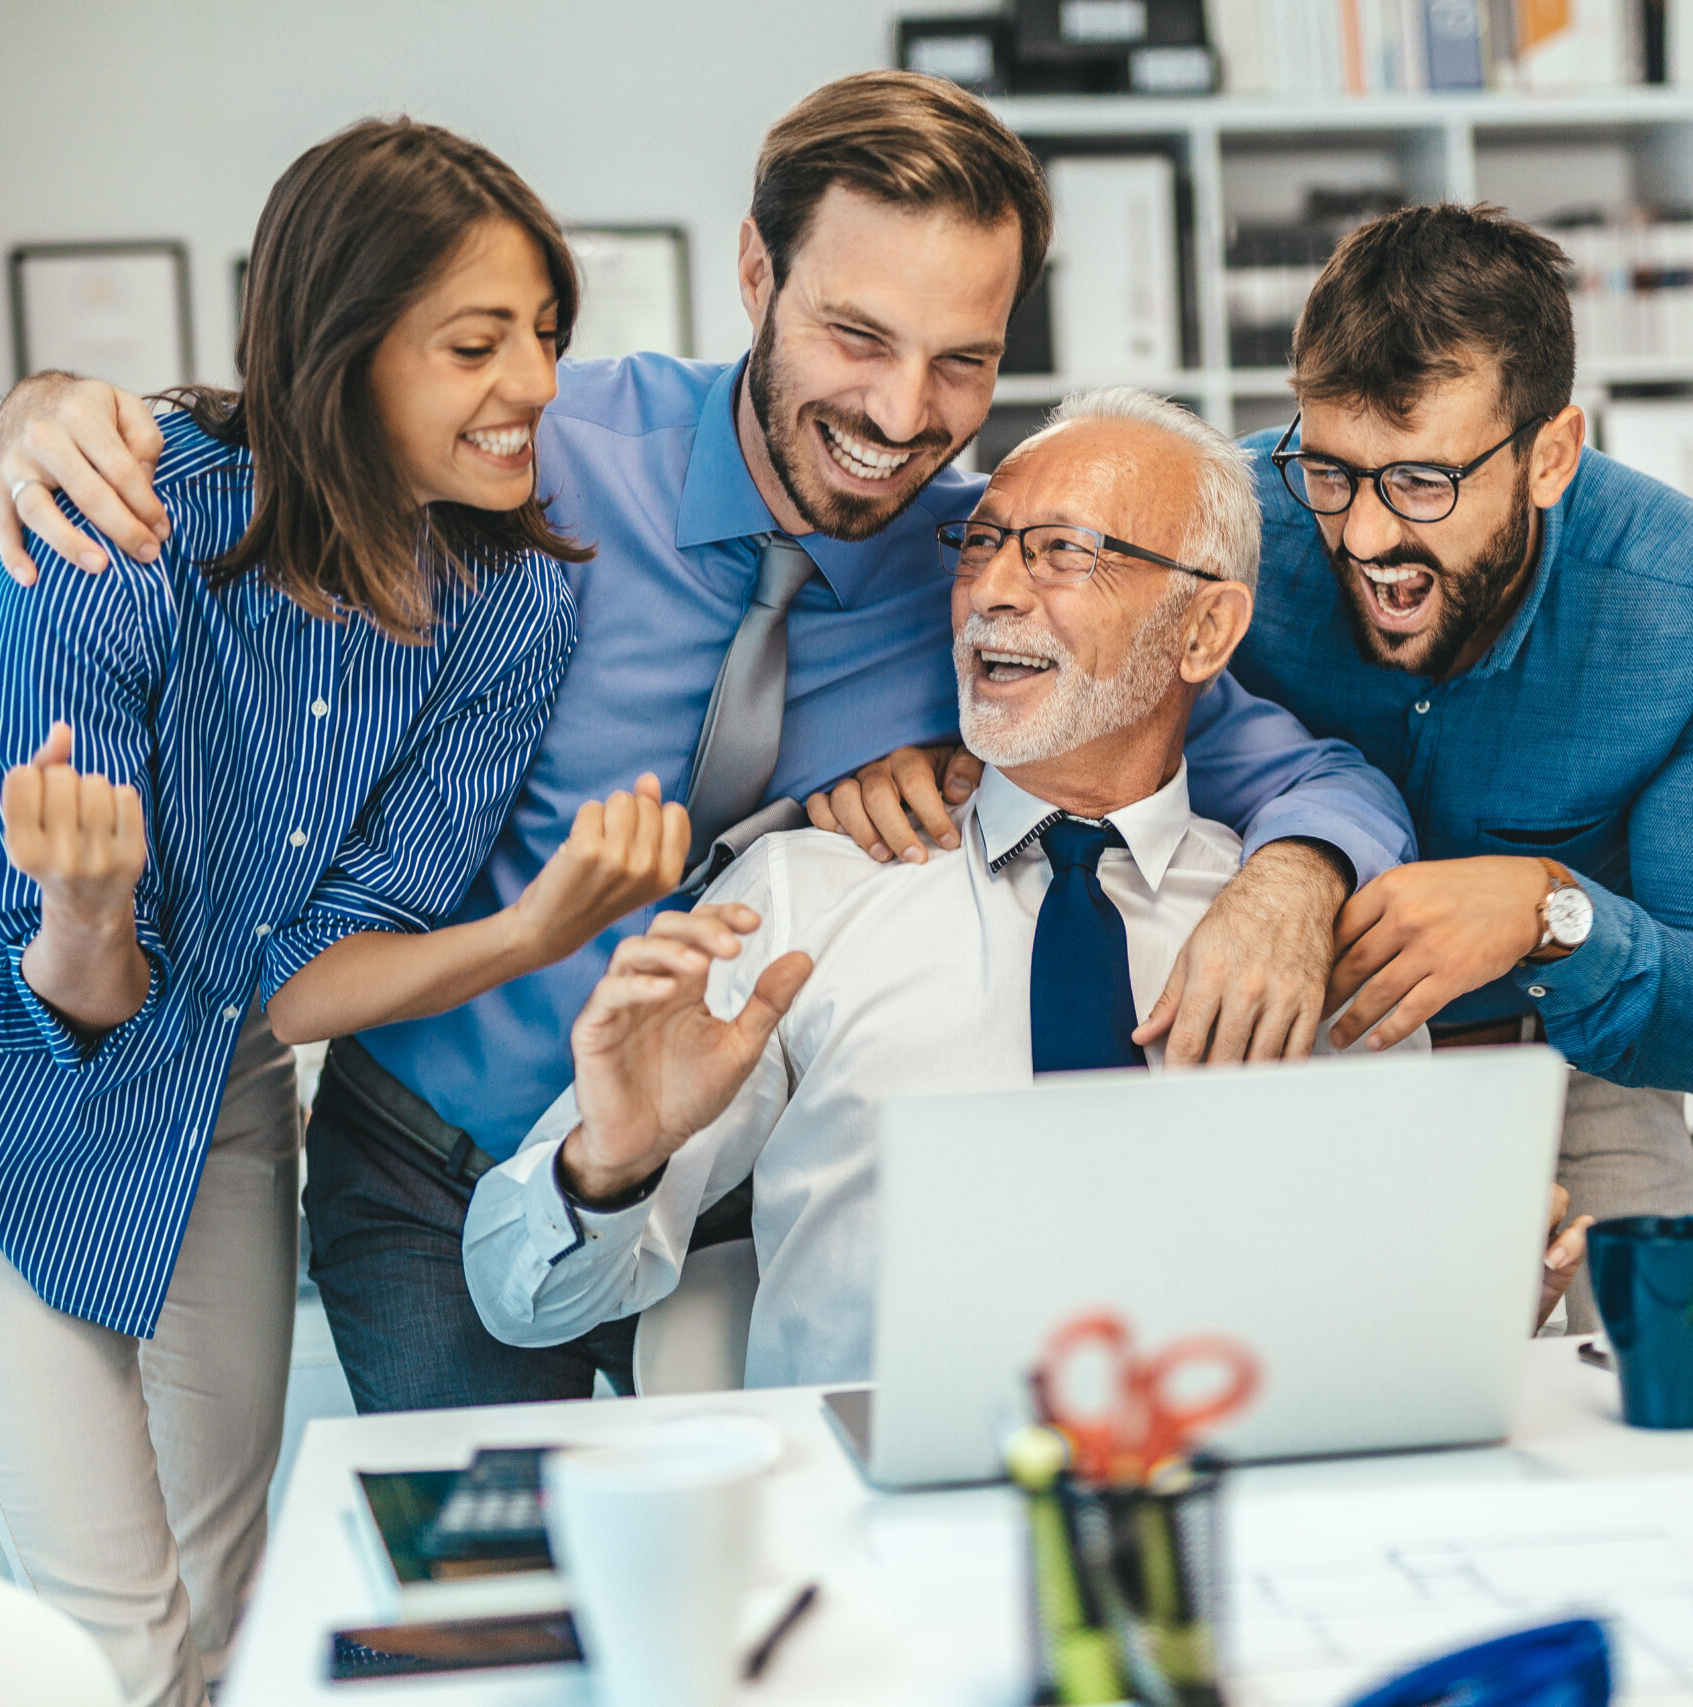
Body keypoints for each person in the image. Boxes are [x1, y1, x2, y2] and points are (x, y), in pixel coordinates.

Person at [0, 73, 1417, 1414]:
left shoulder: (982, 571)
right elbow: (285, 442)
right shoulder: (532, 457)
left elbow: (1282, 764)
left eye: (961, 362)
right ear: (755, 276)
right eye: (858, 336)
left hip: (719, 1172)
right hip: (432, 1159)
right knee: (503, 1581)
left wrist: (1294, 881)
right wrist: (27, 417)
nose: (901, 413)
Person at [0, 121, 686, 1707]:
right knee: (119, 1633)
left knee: (243, 1598)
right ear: (342, 349)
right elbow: (64, 989)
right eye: (476, 344)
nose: (535, 383)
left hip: (221, 1065)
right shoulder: (111, 531)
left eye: (546, 334)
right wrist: (90, 901)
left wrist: (534, 930)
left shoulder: (511, 598)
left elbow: (299, 979)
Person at [464, 389, 1591, 1382]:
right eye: (982, 543)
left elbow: (1382, 1327)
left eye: (1063, 552)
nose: (991, 591)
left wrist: (1488, 1303)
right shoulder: (803, 895)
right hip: (881, 1523)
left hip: (1228, 1507)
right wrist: (608, 1164)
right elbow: (523, 1301)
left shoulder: (1303, 939)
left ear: (1206, 629)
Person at [824, 205, 1693, 1331]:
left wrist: (1549, 913)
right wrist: (914, 741)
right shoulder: (1235, 527)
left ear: (1549, 455)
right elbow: (1036, 643)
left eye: (1423, 482)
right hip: (1286, 1051)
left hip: (1569, 1065)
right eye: (1333, 472)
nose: (1366, 537)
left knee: (1617, 1391)